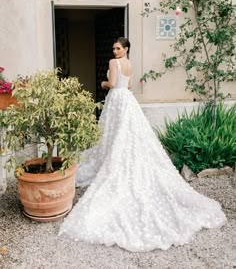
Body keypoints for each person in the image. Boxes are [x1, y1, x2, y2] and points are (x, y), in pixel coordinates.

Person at [59, 37, 226, 252]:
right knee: (125, 133)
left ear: (125, 48)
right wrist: (117, 83)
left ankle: (113, 160)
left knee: (112, 133)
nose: (114, 50)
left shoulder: (113, 62)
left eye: (118, 48)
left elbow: (112, 83)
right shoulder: (129, 64)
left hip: (116, 99)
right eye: (113, 48)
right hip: (127, 100)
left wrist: (103, 83)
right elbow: (128, 85)